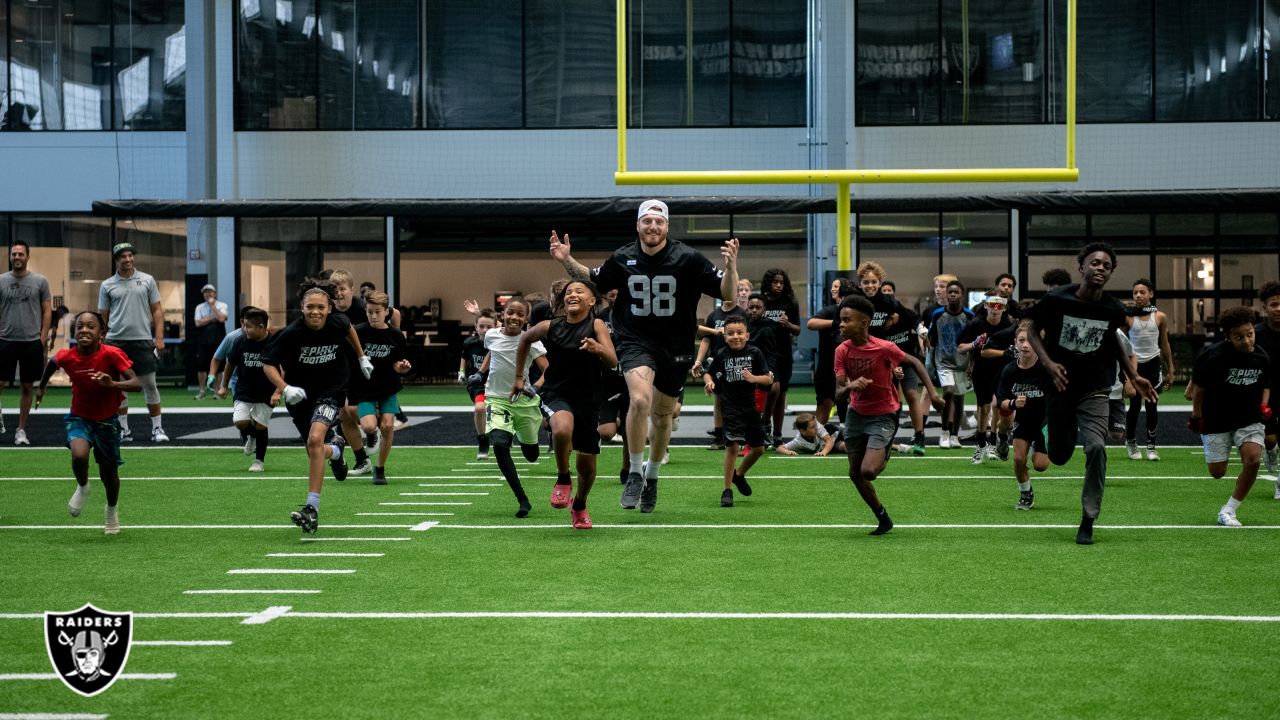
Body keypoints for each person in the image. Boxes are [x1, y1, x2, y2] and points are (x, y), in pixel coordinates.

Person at [550, 199, 739, 514]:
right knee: (639, 401)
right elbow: (593, 278)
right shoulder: (624, 257)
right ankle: (635, 471)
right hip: (634, 340)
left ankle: (652, 475)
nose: (653, 227)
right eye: (647, 221)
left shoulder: (688, 258)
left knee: (663, 417)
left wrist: (732, 267)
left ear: (666, 226)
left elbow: (729, 293)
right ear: (637, 225)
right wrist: (566, 260)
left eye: (659, 221)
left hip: (676, 345)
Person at [1024, 242, 1157, 545]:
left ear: (1110, 274)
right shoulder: (1057, 299)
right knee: (1058, 456)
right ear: (1081, 267)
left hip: (1096, 388)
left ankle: (1088, 518)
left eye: (1106, 265)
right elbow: (1031, 330)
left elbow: (1113, 343)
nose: (1100, 268)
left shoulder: (1112, 309)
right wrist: (1048, 362)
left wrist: (1134, 375)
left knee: (1097, 447)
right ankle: (1051, 437)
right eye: (1094, 263)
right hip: (1059, 386)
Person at [261, 278, 374, 535]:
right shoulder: (291, 334)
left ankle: (311, 509)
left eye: (321, 307)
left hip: (332, 389)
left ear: (329, 309)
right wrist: (285, 387)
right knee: (314, 449)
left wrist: (361, 356)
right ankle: (336, 451)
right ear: (302, 307)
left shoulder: (338, 322)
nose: (315, 311)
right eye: (310, 306)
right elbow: (267, 363)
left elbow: (349, 330)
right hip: (300, 394)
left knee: (314, 438)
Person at [835, 295, 944, 536]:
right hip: (856, 414)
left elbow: (914, 361)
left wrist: (934, 395)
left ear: (864, 323)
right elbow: (839, 393)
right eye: (840, 320)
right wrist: (850, 387)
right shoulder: (842, 350)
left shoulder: (883, 347)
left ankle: (884, 452)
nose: (840, 324)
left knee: (868, 472)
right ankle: (883, 517)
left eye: (846, 320)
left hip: (884, 414)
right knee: (855, 474)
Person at [515, 280, 616, 529]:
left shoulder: (597, 324)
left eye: (580, 291)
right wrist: (519, 377)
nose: (573, 294)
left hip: (589, 399)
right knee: (561, 428)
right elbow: (524, 339)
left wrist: (598, 348)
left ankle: (579, 504)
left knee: (588, 467)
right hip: (556, 392)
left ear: (592, 301)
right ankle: (562, 477)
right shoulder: (549, 326)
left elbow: (613, 361)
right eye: (569, 292)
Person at [35, 311, 141, 535]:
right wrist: (41, 387)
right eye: (80, 326)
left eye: (91, 326)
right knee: (79, 455)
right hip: (80, 417)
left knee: (109, 474)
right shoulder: (67, 356)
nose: (84, 330)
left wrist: (112, 384)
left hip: (107, 422)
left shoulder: (112, 354)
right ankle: (83, 486)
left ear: (101, 334)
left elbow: (136, 383)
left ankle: (111, 511)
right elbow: (52, 364)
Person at [1188, 305, 1271, 527]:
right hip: (1217, 417)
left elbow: (1266, 384)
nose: (1246, 341)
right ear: (1227, 338)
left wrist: (1264, 406)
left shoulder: (1262, 358)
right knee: (1217, 472)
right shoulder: (1214, 356)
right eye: (1239, 337)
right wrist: (1197, 416)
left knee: (1253, 459)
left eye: (1250, 334)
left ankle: (1229, 510)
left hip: (1248, 416)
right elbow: (1199, 389)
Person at [483, 296, 548, 518]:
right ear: (503, 313)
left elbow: (548, 370)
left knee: (531, 455)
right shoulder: (491, 334)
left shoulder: (531, 340)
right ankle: (522, 499)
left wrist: (536, 387)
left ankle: (527, 435)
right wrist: (479, 373)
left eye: (520, 314)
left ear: (527, 318)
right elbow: (492, 353)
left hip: (525, 403)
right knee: (500, 444)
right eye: (511, 312)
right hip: (497, 399)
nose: (514, 317)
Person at [97, 242, 167, 443]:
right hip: (115, 342)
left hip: (142, 341)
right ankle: (124, 430)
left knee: (150, 385)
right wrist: (101, 341)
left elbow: (157, 310)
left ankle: (157, 428)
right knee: (119, 385)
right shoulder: (107, 284)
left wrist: (159, 337)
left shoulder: (147, 280)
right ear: (116, 260)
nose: (127, 259)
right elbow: (103, 316)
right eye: (122, 257)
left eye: (130, 255)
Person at [701, 311, 772, 507]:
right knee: (732, 446)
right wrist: (709, 383)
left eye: (739, 332)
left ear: (747, 335)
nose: (735, 337)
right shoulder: (722, 354)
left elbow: (768, 379)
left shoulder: (755, 353)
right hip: (729, 406)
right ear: (724, 337)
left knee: (759, 448)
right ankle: (727, 490)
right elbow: (708, 374)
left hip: (749, 407)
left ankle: (739, 475)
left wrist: (754, 379)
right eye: (730, 333)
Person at [351, 291, 413, 486]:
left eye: (377, 312)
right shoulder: (358, 331)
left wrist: (402, 367)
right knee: (369, 426)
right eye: (369, 312)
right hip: (364, 387)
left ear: (386, 312)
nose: (373, 316)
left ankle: (380, 468)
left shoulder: (395, 335)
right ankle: (372, 436)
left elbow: (397, 363)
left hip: (388, 386)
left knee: (387, 425)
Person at [995, 322, 1053, 510]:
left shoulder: (1046, 368)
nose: (1026, 345)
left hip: (1044, 421)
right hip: (1024, 420)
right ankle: (1025, 494)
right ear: (1015, 343)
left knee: (1040, 466)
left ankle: (1038, 446)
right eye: (1021, 340)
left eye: (1030, 341)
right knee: (1019, 460)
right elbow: (1001, 400)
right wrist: (1013, 404)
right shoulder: (1010, 370)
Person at [0, 239, 51, 445]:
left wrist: (43, 336)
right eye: (14, 254)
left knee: (27, 387)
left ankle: (20, 430)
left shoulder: (40, 281)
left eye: (21, 254)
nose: (17, 257)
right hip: (5, 340)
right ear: (10, 257)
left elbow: (47, 310)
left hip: (31, 342)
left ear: (27, 257)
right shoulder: (1, 280)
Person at [957, 293, 1013, 463]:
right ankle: (981, 445)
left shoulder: (1007, 325)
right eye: (992, 305)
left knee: (997, 405)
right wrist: (974, 344)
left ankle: (994, 443)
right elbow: (960, 347)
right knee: (984, 407)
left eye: (999, 306)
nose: (995, 309)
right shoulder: (976, 324)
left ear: (1003, 308)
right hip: (981, 369)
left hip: (1001, 370)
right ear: (986, 306)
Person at [217, 307, 273, 473]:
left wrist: (278, 391)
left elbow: (282, 367)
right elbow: (230, 365)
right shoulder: (240, 341)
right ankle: (252, 435)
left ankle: (259, 461)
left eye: (248, 326)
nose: (244, 329)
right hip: (244, 389)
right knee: (240, 421)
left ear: (261, 327)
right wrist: (223, 386)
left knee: (261, 426)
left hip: (266, 391)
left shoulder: (273, 342)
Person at [1124, 279, 1174, 461]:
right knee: (1135, 407)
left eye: (1142, 292)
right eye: (1135, 292)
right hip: (1134, 366)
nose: (1138, 295)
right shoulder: (1128, 316)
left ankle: (1152, 447)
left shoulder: (1160, 317)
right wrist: (1125, 374)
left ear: (1151, 294)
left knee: (1152, 406)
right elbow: (1121, 345)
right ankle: (1131, 442)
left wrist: (1171, 369)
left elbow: (1165, 343)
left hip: (1153, 365)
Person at [879, 280, 925, 454]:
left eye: (890, 290)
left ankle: (919, 436)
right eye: (884, 291)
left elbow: (918, 322)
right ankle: (887, 438)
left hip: (906, 362)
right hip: (885, 365)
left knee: (912, 395)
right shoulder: (878, 319)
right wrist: (892, 366)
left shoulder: (905, 313)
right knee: (890, 401)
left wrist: (922, 335)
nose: (887, 293)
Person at [928, 280, 974, 448]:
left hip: (962, 362)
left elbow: (973, 342)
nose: (953, 294)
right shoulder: (938, 314)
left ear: (961, 294)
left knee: (959, 397)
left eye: (956, 292)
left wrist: (972, 365)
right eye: (950, 292)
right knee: (948, 392)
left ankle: (955, 435)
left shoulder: (969, 316)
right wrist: (930, 362)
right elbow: (932, 339)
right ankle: (944, 431)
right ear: (946, 295)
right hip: (943, 362)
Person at [760, 269, 801, 446]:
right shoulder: (761, 302)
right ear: (768, 283)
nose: (778, 285)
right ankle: (764, 424)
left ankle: (777, 434)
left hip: (784, 352)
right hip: (765, 353)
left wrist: (788, 324)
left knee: (781, 393)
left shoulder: (789, 302)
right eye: (775, 282)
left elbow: (798, 329)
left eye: (781, 282)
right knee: (772, 388)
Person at [808, 277, 856, 425]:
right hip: (827, 364)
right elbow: (811, 323)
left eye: (837, 286)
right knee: (825, 402)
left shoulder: (857, 314)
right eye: (832, 286)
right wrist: (836, 323)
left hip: (849, 365)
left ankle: (846, 430)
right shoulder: (830, 310)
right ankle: (816, 437)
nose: (833, 289)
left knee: (848, 398)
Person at [695, 296, 738, 450]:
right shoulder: (714, 315)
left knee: (737, 398)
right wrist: (699, 361)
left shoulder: (742, 314)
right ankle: (720, 437)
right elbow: (706, 340)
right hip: (718, 362)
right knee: (719, 399)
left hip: (736, 360)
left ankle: (738, 435)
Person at [459, 308, 498, 460]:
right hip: (477, 384)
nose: (484, 330)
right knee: (480, 408)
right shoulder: (470, 343)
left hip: (497, 383)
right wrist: (461, 371)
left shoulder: (499, 343)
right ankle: (483, 442)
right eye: (481, 326)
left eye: (489, 327)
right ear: (476, 327)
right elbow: (464, 357)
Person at [1252, 281, 1280, 482]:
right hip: (1264, 394)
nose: (1278, 309)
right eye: (1273, 304)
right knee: (1269, 439)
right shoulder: (1256, 334)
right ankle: (1271, 451)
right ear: (1265, 307)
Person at [193, 284, 229, 400]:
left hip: (219, 341)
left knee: (219, 367)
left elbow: (222, 318)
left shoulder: (222, 305)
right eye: (205, 292)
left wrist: (213, 306)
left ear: (215, 293)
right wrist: (212, 318)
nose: (208, 294)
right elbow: (198, 323)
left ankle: (217, 391)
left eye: (210, 292)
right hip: (204, 341)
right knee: (201, 367)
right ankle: (202, 391)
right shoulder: (199, 307)